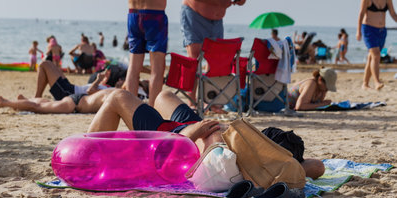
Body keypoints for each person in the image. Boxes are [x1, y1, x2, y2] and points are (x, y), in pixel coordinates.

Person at [87, 89, 325, 180]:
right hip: (195, 125)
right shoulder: (283, 169)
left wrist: (195, 131)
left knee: (118, 97)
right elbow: (318, 167)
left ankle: (87, 152)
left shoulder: (223, 154)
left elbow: (169, 151)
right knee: (164, 96)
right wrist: (289, 164)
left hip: (176, 136)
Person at [180, 0, 246, 105]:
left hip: (217, 21)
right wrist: (220, 3)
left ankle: (210, 101)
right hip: (194, 14)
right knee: (194, 58)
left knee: (215, 59)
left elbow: (242, 2)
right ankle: (191, 102)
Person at [126, 0, 168, 107]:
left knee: (133, 67)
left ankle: (131, 110)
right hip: (155, 15)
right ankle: (153, 109)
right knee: (157, 70)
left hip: (133, 14)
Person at [357, 0, 397, 90]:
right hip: (368, 29)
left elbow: (393, 14)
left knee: (372, 57)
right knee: (376, 54)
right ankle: (376, 82)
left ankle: (365, 84)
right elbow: (361, 13)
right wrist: (358, 31)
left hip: (381, 31)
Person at [33, 60, 111, 99]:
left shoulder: (113, 92)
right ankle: (37, 98)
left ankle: (37, 98)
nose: (120, 81)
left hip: (69, 94)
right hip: (71, 88)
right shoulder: (110, 88)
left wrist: (98, 80)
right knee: (49, 64)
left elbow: (90, 91)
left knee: (44, 65)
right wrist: (105, 79)